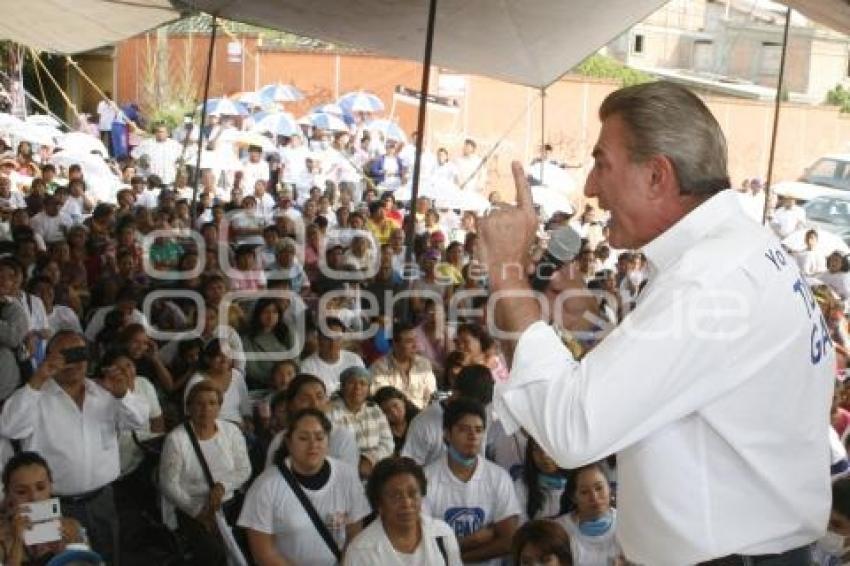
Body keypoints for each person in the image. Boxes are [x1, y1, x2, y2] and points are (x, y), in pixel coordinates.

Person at [477, 80, 831, 563]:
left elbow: (570, 431)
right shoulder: (739, 248)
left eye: (602, 163)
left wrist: (508, 274)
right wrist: (591, 327)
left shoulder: (708, 280)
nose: (590, 187)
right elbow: (687, 377)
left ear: (657, 176)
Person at [0, 330, 149, 564]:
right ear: (50, 358)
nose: (75, 361)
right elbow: (9, 427)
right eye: (66, 355)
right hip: (55, 505)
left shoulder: (105, 392)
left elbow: (139, 420)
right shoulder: (35, 396)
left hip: (102, 499)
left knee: (108, 558)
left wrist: (122, 394)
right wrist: (39, 377)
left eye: (80, 353)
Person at [238, 408, 370, 565]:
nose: (313, 445)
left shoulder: (347, 476)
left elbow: (354, 535)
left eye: (320, 438)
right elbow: (264, 553)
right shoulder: (265, 486)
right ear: (288, 442)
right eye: (303, 438)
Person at [159, 380, 251, 566]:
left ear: (219, 407)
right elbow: (168, 484)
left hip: (228, 503)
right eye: (199, 403)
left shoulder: (231, 431)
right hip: (193, 506)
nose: (205, 409)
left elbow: (244, 469)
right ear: (188, 408)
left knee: (246, 546)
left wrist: (222, 486)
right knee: (214, 553)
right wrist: (198, 512)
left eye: (212, 403)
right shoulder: (177, 439)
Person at [422, 398, 520, 565]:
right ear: (446, 433)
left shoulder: (498, 477)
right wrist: (472, 540)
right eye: (463, 429)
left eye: (478, 430)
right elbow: (423, 545)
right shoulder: (427, 478)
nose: (473, 436)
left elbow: (509, 541)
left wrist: (455, 558)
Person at [343, 456, 463, 566]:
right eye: (396, 496)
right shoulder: (360, 551)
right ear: (379, 503)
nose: (406, 503)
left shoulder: (442, 534)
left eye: (412, 494)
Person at [0, 452, 87, 565]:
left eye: (40, 487)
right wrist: (16, 543)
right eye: (22, 492)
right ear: (7, 494)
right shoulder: (2, 536)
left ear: (51, 487)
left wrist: (70, 550)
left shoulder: (71, 527)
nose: (34, 497)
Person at [264, 373, 359, 469]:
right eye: (305, 399)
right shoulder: (279, 440)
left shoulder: (342, 437)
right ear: (291, 405)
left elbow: (348, 480)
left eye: (319, 397)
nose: (314, 404)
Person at [328, 366, 394, 479]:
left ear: (368, 390)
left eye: (363, 384)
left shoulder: (374, 409)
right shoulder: (331, 411)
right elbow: (329, 447)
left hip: (374, 468)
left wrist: (369, 459)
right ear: (342, 387)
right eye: (351, 383)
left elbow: (388, 443)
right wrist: (356, 464)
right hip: (342, 471)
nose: (357, 387)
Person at [553, 463, 622, 565]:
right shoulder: (560, 529)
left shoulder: (626, 523)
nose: (594, 497)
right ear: (573, 497)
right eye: (584, 492)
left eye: (599, 488)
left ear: (610, 489)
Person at [183, 339, 251, 429]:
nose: (224, 359)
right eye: (218, 356)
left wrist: (248, 424)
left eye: (227, 355)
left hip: (239, 429)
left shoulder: (237, 375)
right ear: (207, 359)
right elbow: (189, 413)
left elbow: (246, 409)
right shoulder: (197, 381)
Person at [369, 321, 437, 409]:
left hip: (423, 417)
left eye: (415, 340)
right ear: (395, 344)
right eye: (409, 341)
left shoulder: (423, 364)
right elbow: (386, 402)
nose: (415, 345)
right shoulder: (379, 368)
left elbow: (431, 396)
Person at [299, 317, 366, 394]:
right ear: (319, 338)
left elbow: (364, 388)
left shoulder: (355, 360)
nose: (333, 344)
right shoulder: (306, 367)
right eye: (327, 338)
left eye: (337, 338)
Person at [515, 437, 572, 523]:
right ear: (530, 454)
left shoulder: (578, 481)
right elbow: (520, 526)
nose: (544, 455)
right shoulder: (521, 485)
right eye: (537, 449)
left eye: (549, 448)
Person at [373, 386, 420, 455]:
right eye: (386, 410)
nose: (394, 413)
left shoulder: (419, 419)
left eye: (395, 405)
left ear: (403, 401)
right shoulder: (379, 430)